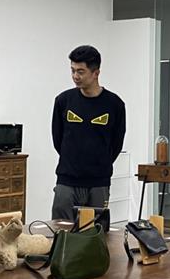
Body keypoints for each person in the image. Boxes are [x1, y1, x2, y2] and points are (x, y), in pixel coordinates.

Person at [51, 45, 126, 220]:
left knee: (97, 232)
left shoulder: (115, 104)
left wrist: (100, 163)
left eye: (81, 71)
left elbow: (116, 143)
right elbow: (57, 139)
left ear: (95, 73)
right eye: (72, 70)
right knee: (60, 229)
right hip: (67, 180)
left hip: (99, 181)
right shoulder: (63, 101)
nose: (75, 76)